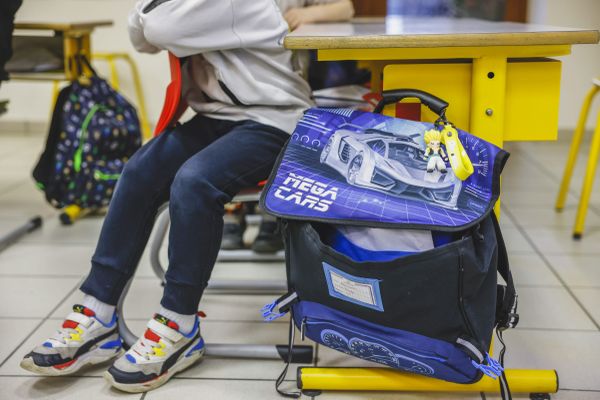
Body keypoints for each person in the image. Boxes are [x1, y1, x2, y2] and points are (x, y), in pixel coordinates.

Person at [20, 0, 313, 393]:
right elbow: (141, 33)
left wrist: (152, 14)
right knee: (140, 170)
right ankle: (98, 311)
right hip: (217, 116)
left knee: (195, 182)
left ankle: (180, 323)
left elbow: (155, 28)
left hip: (275, 120)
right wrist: (152, 14)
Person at [222, 0, 355, 254]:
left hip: (283, 91)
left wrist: (306, 14)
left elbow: (345, 8)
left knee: (292, 118)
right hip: (233, 93)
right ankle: (235, 209)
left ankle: (270, 210)